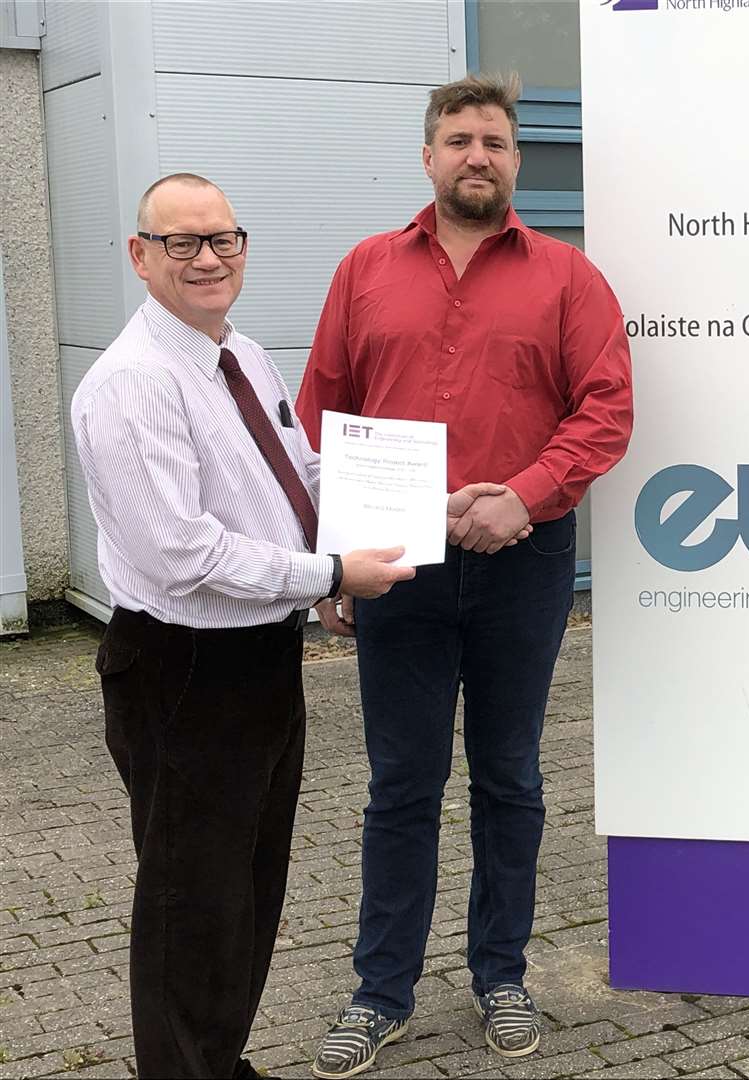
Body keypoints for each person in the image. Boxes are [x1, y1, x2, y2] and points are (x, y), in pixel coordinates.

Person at [297, 73, 633, 1078]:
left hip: (522, 564)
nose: (475, 155)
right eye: (457, 139)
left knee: (510, 775)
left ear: (516, 159)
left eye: (493, 140)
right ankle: (381, 990)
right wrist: (332, 564)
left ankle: (501, 975)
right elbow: (322, 417)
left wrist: (522, 495)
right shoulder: (365, 270)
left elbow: (604, 411)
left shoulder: (569, 278)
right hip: (396, 564)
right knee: (401, 783)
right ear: (428, 155)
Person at [70, 174, 416, 1078]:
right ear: (140, 256)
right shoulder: (134, 385)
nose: (207, 258)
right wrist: (332, 572)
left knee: (249, 888)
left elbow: (299, 471)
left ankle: (214, 1061)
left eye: (222, 239)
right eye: (181, 242)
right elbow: (184, 553)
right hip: (184, 670)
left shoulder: (243, 354)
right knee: (192, 900)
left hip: (261, 659)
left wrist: (416, 510)